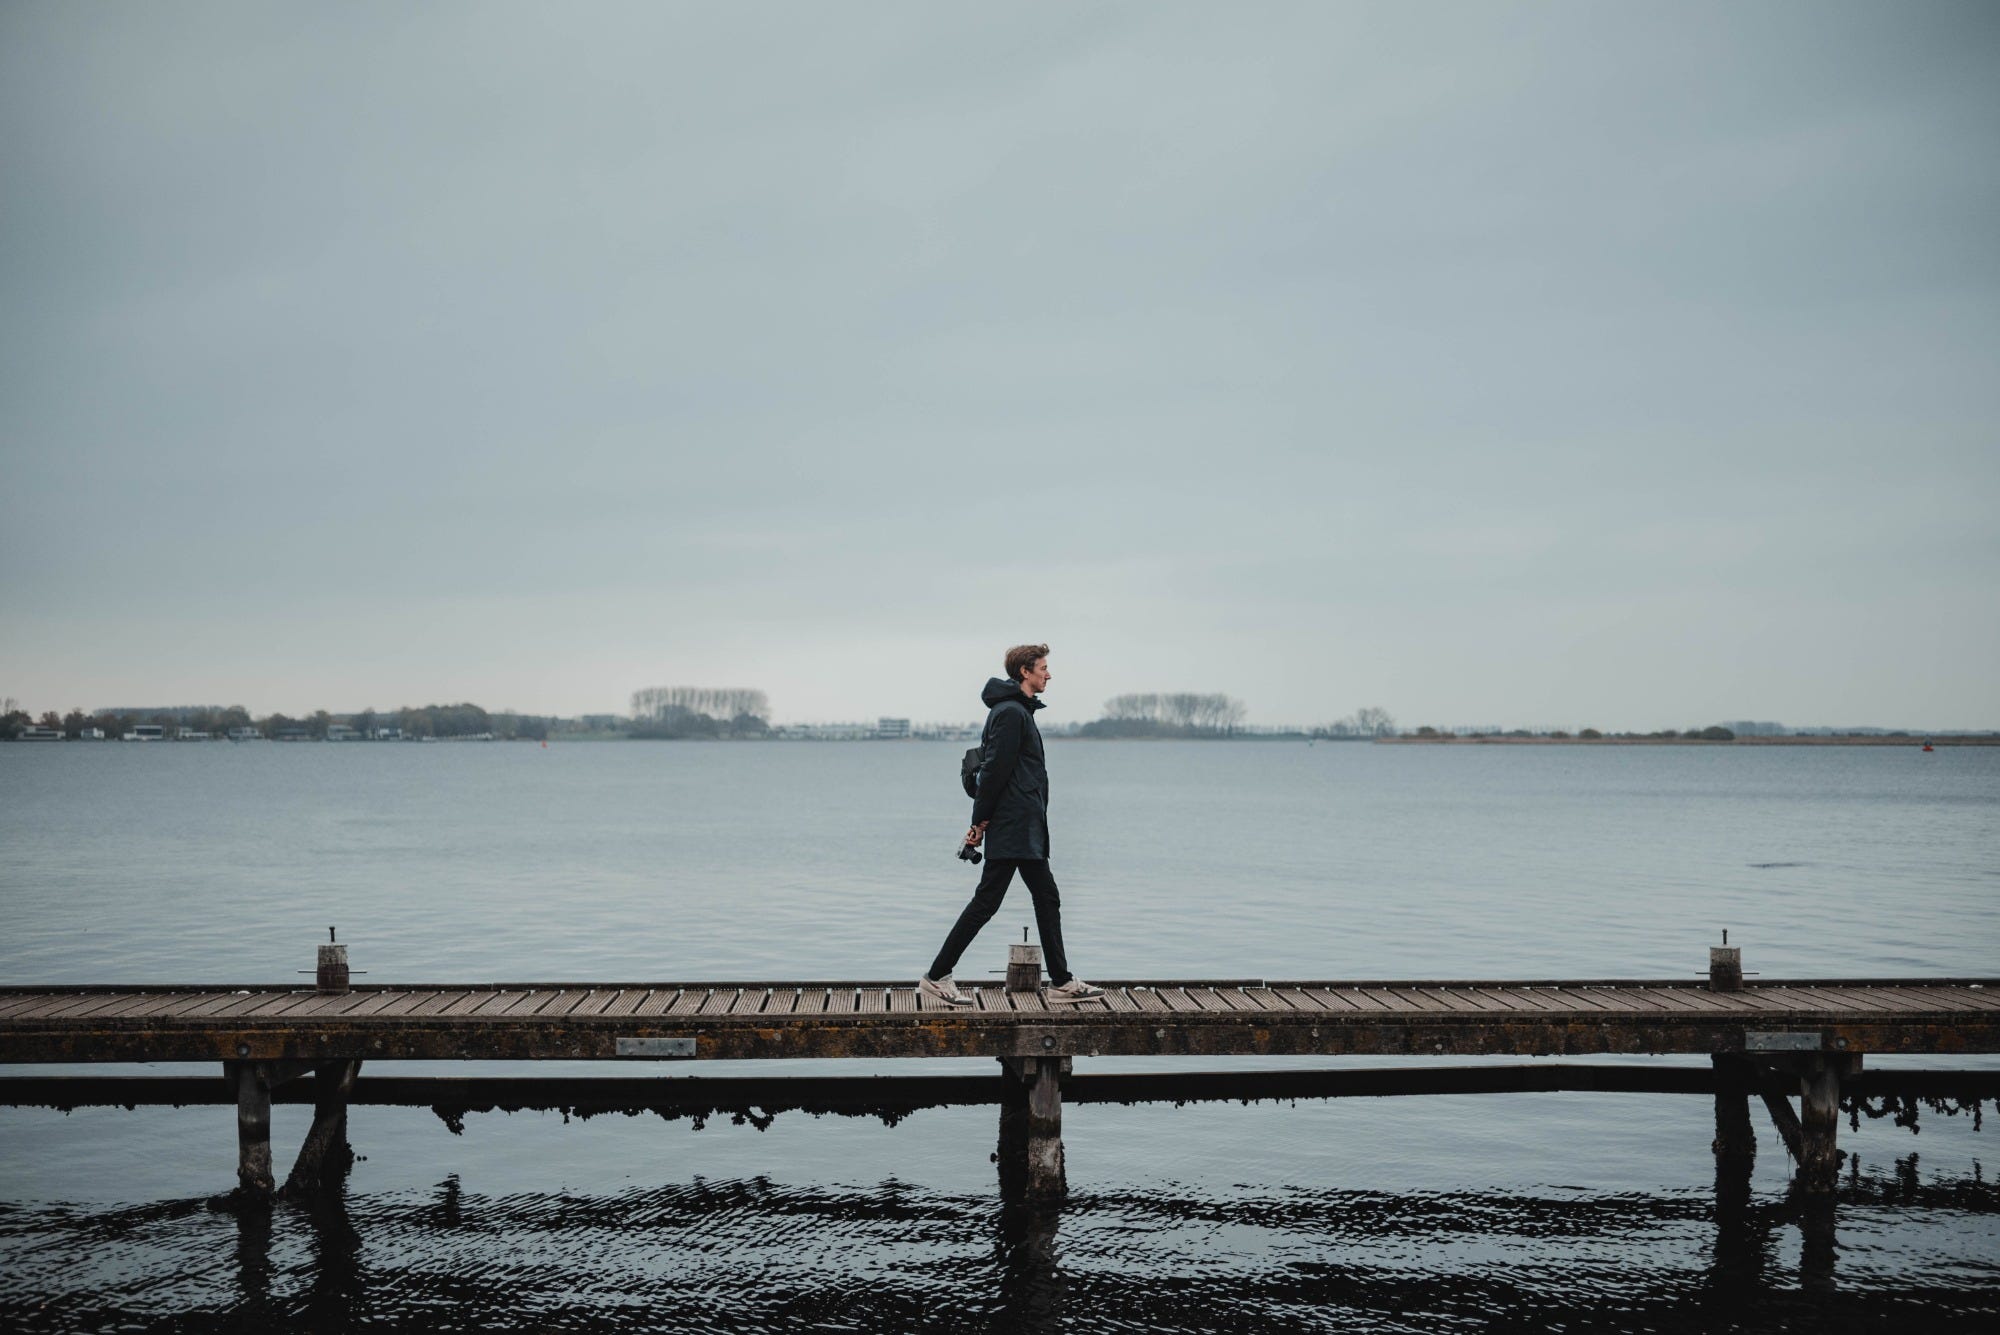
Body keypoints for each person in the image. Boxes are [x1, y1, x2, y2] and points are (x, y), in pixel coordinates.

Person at [919, 644, 1105, 1006]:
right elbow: (993, 772)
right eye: (1043, 668)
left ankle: (1061, 981)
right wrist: (979, 822)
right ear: (1025, 672)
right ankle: (937, 976)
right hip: (1014, 825)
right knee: (991, 902)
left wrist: (986, 820)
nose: (1048, 674)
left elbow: (1007, 772)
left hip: (1022, 824)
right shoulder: (1010, 714)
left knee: (1042, 898)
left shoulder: (1018, 712)